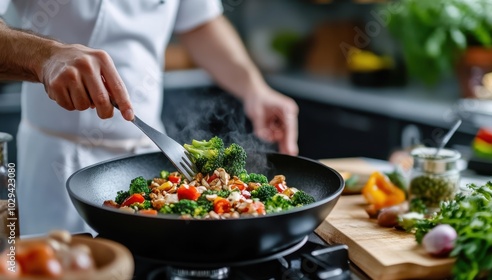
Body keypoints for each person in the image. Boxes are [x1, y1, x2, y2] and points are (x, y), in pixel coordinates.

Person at [0, 1, 299, 236]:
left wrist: (254, 88)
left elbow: (200, 21)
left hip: (148, 154)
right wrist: (43, 55)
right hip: (56, 166)